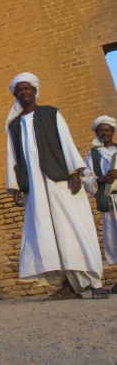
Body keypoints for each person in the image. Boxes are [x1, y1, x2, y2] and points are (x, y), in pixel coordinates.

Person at [5, 72, 107, 299]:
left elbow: (66, 142)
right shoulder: (13, 126)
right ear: (16, 94)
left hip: (60, 180)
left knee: (71, 227)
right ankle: (68, 285)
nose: (23, 92)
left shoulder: (51, 113)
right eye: (19, 90)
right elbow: (13, 158)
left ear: (34, 91)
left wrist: (74, 173)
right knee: (47, 233)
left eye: (27, 88)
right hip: (35, 188)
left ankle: (92, 282)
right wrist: (16, 187)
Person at [83, 115, 117, 293]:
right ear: (97, 133)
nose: (104, 133)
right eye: (101, 130)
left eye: (107, 130)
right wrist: (102, 179)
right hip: (108, 200)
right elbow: (87, 177)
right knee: (114, 239)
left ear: (113, 132)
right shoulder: (93, 153)